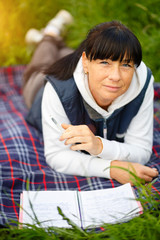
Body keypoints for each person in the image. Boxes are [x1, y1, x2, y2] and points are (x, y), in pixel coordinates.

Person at [23, 10, 159, 185]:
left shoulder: (143, 82)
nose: (116, 76)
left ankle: (57, 42)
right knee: (40, 65)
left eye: (126, 64)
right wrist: (112, 168)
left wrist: (99, 146)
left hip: (79, 65)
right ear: (86, 62)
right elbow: (57, 155)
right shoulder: (57, 88)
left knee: (67, 53)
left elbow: (141, 151)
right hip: (38, 88)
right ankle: (51, 33)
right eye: (105, 63)